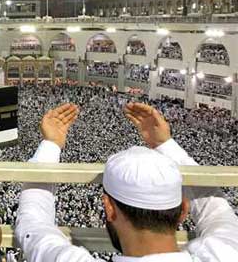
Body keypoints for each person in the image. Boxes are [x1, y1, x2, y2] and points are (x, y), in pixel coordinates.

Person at [15, 102, 238, 262]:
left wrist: (51, 144)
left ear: (109, 209)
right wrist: (165, 145)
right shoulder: (225, 254)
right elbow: (217, 211)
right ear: (183, 210)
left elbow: (33, 226)